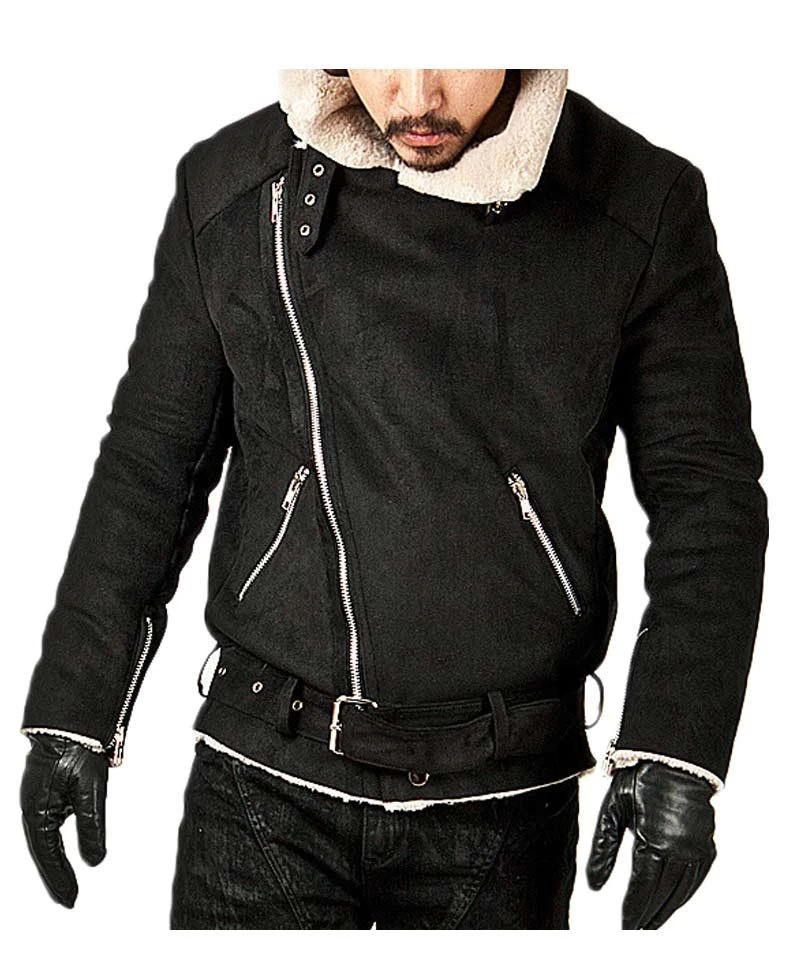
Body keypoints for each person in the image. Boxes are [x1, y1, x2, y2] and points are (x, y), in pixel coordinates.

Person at [19, 68, 768, 929]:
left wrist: (676, 744)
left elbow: (705, 491)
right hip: (264, 781)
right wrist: (75, 707)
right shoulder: (234, 188)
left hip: (504, 797)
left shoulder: (638, 203)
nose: (416, 97)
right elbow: (153, 461)